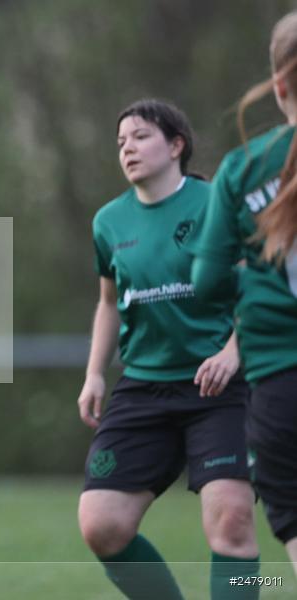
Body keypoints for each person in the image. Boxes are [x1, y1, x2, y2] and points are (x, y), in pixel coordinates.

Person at [77, 99, 259, 600]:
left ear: (176, 145)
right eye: (120, 142)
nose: (127, 148)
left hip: (220, 385)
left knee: (233, 521)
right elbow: (109, 303)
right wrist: (95, 373)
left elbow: (259, 287)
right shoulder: (109, 222)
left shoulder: (217, 204)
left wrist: (233, 351)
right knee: (101, 524)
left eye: (140, 136)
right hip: (144, 387)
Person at [192, 9, 297, 579]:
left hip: (281, 381)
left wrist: (258, 281)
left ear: (279, 85)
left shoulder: (243, 168)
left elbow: (207, 283)